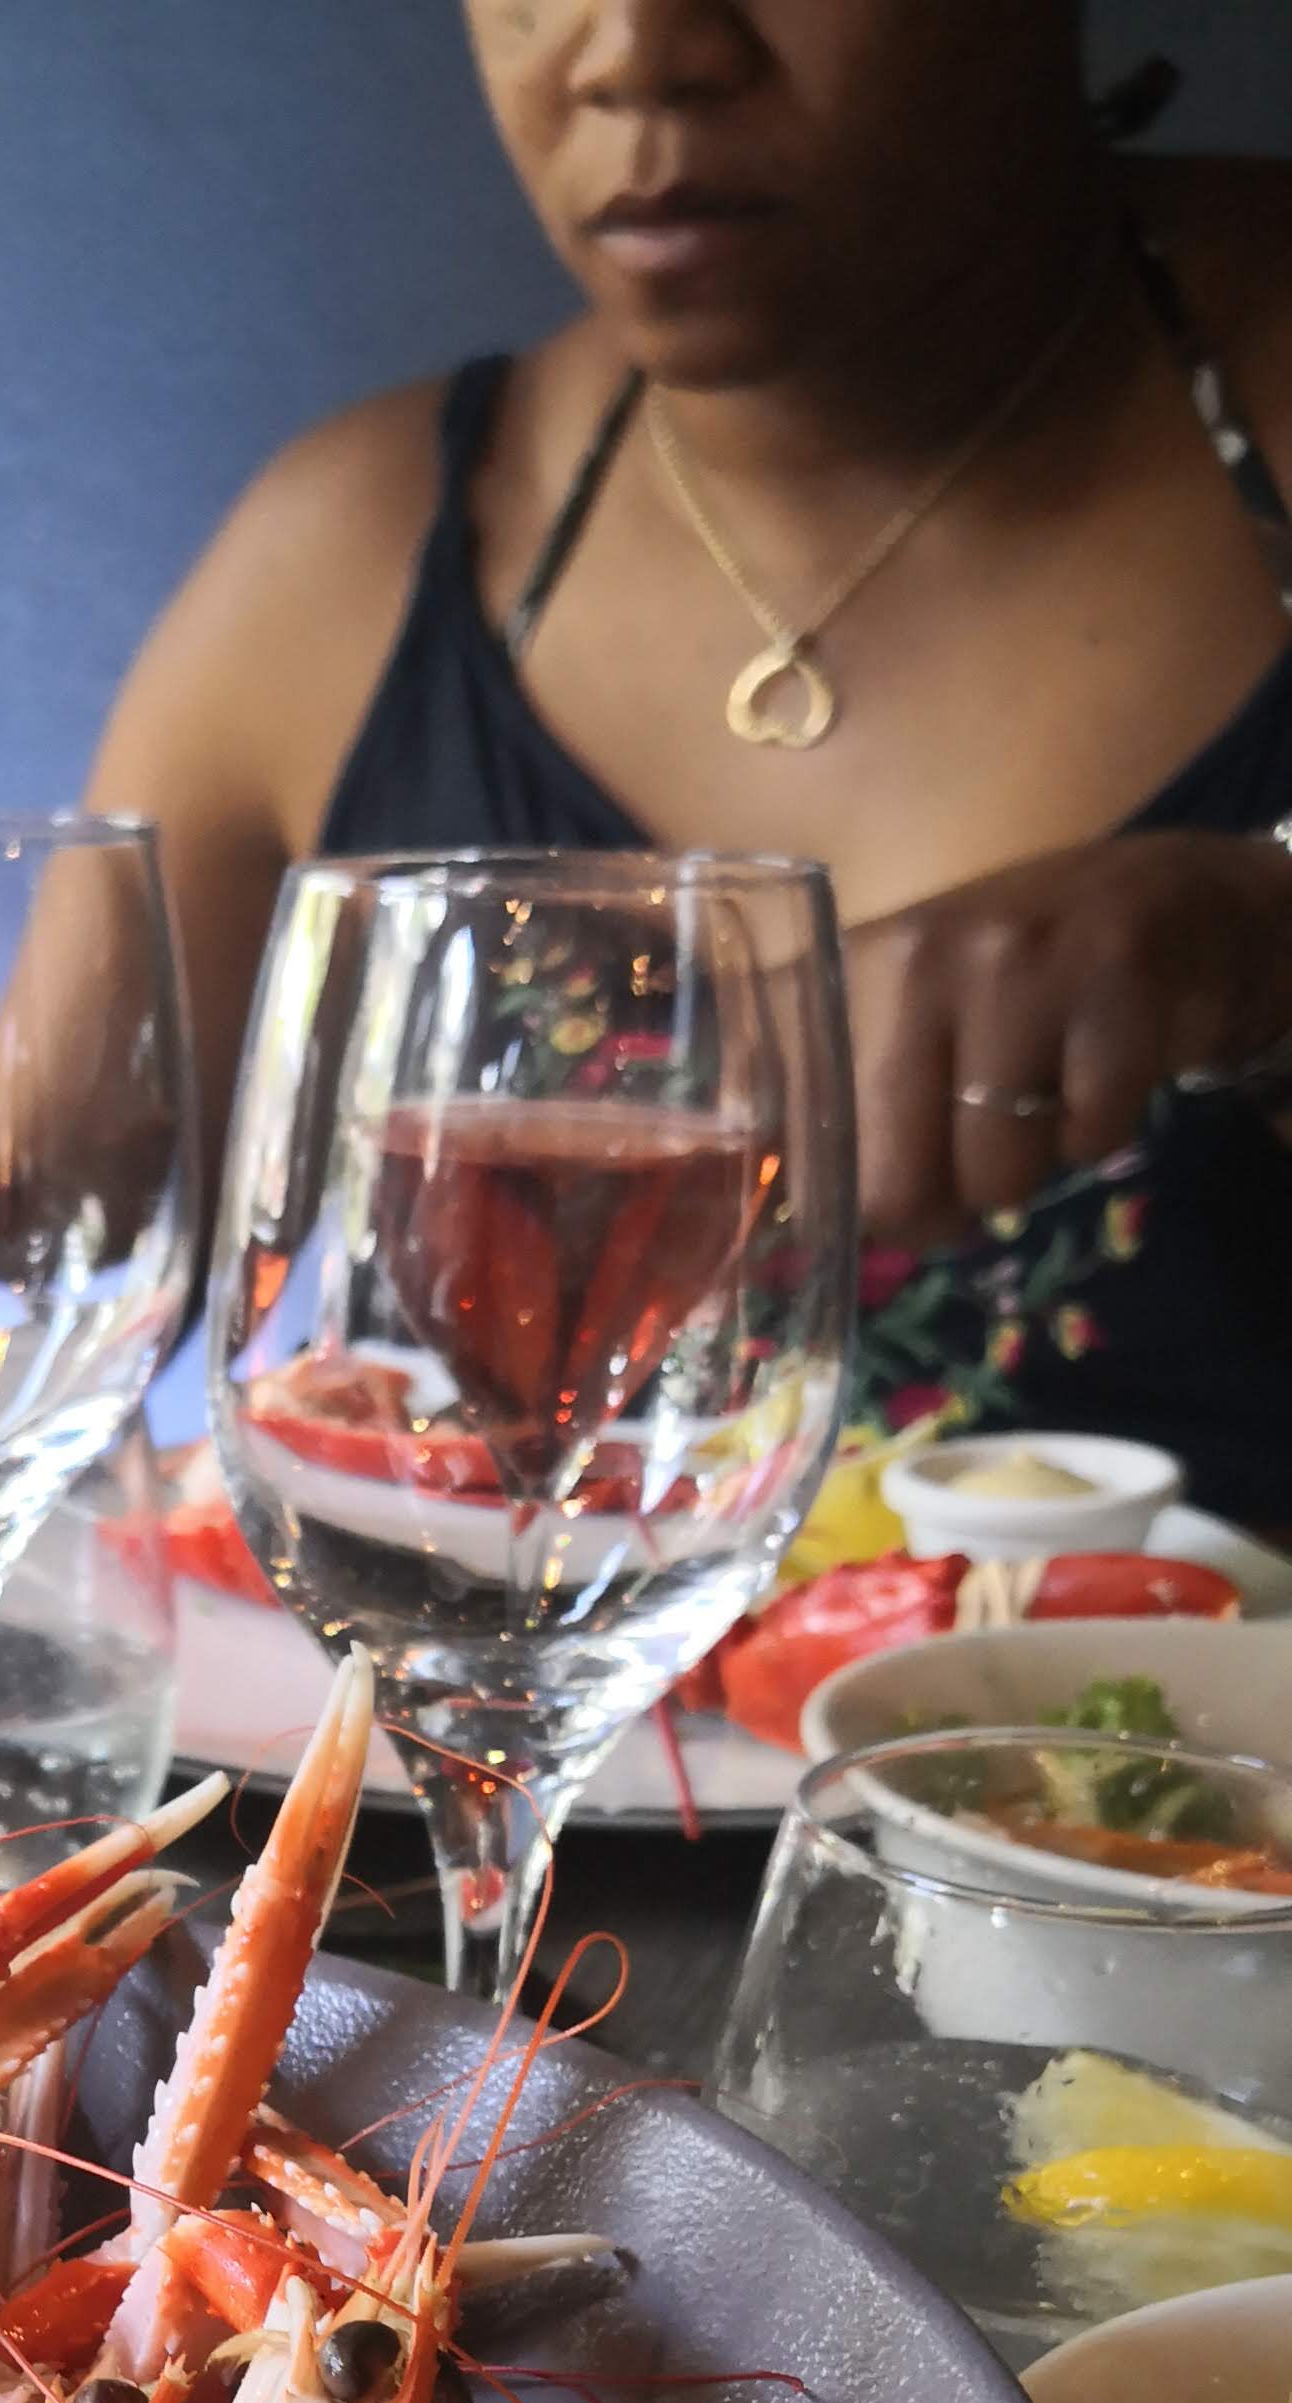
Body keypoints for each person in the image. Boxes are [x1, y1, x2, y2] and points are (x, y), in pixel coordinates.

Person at [92, 9, 1292, 1506]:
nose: (638, 51)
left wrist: (1266, 934)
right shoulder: (349, 564)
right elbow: (38, 1294)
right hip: (517, 1673)